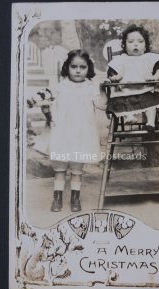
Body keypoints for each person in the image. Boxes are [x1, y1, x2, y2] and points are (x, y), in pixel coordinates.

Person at [29, 50, 107, 212]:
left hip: (82, 133)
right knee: (60, 168)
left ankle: (75, 198)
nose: (78, 70)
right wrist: (42, 106)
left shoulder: (90, 87)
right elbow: (46, 99)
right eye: (74, 66)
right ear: (67, 67)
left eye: (82, 67)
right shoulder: (59, 86)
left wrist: (106, 91)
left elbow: (100, 104)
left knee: (77, 169)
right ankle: (57, 198)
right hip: (62, 133)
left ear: (88, 69)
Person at [107, 24, 159, 131]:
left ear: (145, 47)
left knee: (151, 104)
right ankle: (129, 117)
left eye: (140, 42)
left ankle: (151, 123)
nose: (135, 44)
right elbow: (111, 74)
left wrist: (155, 77)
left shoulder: (150, 58)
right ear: (125, 46)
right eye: (131, 42)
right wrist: (115, 78)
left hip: (146, 91)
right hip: (125, 92)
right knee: (119, 102)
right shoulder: (120, 60)